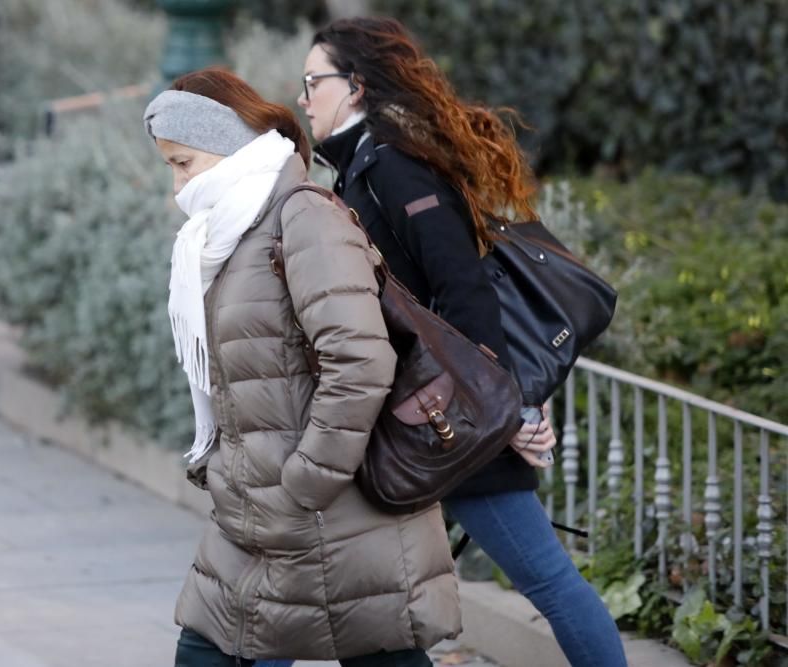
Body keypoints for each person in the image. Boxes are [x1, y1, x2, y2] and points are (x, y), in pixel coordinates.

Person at [297, 18, 627, 667]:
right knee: (353, 591)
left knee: (547, 580)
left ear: (356, 86)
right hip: (419, 422)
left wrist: (498, 411)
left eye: (314, 81)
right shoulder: (364, 170)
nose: (304, 96)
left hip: (452, 425)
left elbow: (464, 289)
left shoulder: (393, 169)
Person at [143, 67, 461, 667]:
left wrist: (305, 482)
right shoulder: (230, 232)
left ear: (223, 146)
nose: (177, 187)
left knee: (380, 652)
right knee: (208, 651)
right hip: (258, 516)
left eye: (183, 164)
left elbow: (361, 361)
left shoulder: (301, 217)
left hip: (331, 517)